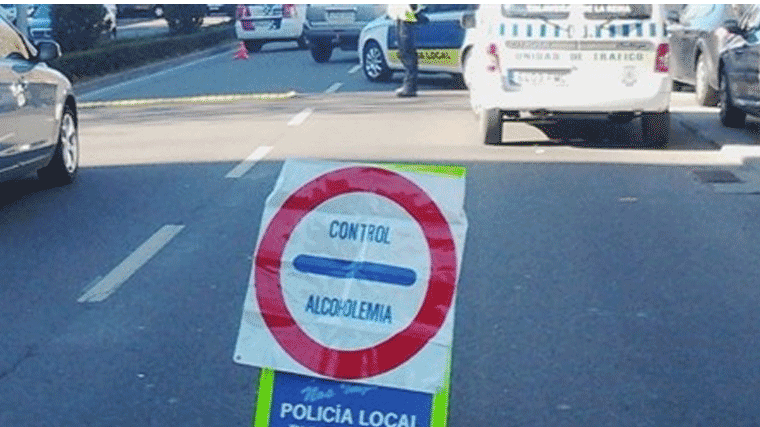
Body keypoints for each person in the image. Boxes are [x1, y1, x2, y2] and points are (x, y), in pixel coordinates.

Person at [387, 4, 428, 97]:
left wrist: (412, 13)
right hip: (403, 18)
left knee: (407, 54)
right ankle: (409, 86)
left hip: (406, 19)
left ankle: (409, 87)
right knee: (404, 54)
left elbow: (412, 9)